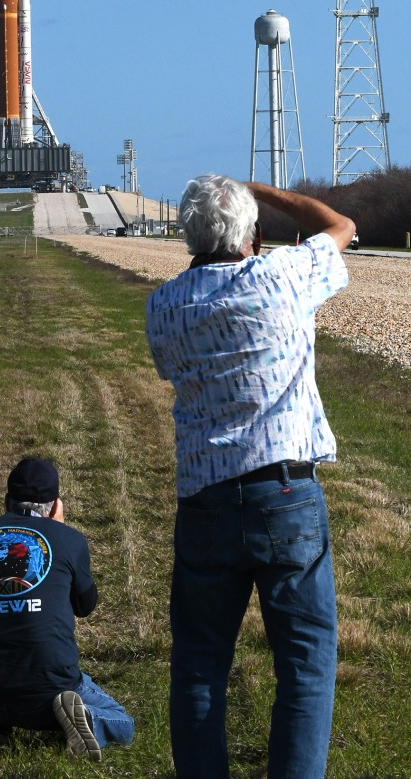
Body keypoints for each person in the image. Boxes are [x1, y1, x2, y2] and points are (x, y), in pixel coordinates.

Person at [145, 175, 355, 779]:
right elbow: (339, 226)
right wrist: (260, 188)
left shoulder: (163, 305)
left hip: (205, 499)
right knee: (306, 666)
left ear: (188, 237)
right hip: (285, 492)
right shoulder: (281, 277)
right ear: (255, 237)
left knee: (200, 664)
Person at [0, 457, 135, 762]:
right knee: (124, 723)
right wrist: (60, 532)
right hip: (48, 688)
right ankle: (89, 721)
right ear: (55, 506)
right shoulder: (70, 539)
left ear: (6, 500)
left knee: (2, 625)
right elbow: (86, 605)